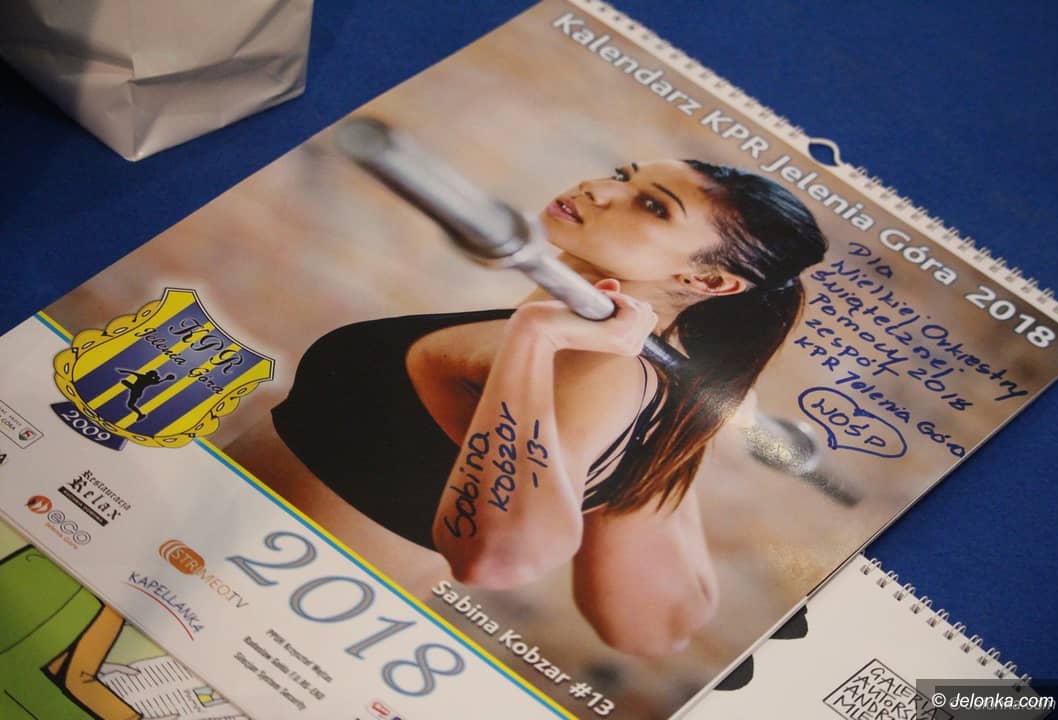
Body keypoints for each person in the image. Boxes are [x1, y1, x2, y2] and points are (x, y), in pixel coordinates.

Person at [243, 159, 827, 656]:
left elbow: (508, 566)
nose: (600, 190)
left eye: (652, 206)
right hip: (230, 564)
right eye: (622, 175)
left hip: (274, 629)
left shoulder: (598, 369)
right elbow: (661, 629)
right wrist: (694, 418)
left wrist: (535, 339)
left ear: (708, 280)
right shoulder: (626, 376)